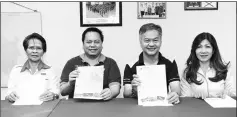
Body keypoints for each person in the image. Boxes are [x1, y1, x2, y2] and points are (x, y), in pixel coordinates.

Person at [123, 23, 181, 104]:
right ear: (140, 41)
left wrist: (175, 95)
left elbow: (176, 89)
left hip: (163, 105)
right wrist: (134, 88)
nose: (151, 44)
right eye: (147, 40)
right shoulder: (130, 65)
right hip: (139, 107)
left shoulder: (170, 63)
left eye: (155, 40)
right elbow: (126, 95)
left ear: (161, 40)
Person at [60, 27, 121, 100]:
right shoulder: (71, 63)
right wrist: (69, 84)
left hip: (104, 106)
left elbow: (115, 88)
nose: (92, 45)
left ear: (102, 44)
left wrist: (111, 92)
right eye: (89, 42)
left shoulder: (111, 63)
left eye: (97, 42)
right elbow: (63, 92)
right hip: (76, 107)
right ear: (83, 44)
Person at [5, 33, 59, 102]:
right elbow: (9, 94)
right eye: (31, 48)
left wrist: (53, 95)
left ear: (43, 51)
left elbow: (56, 94)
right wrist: (10, 96)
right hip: (19, 109)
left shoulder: (50, 71)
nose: (35, 51)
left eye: (39, 48)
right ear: (25, 50)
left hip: (44, 109)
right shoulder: (16, 70)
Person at [180, 32, 236, 99]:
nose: (203, 51)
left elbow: (231, 93)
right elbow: (186, 99)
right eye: (199, 47)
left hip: (219, 108)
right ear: (194, 50)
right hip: (197, 109)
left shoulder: (224, 70)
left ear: (213, 50)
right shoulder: (188, 71)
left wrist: (227, 96)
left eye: (207, 47)